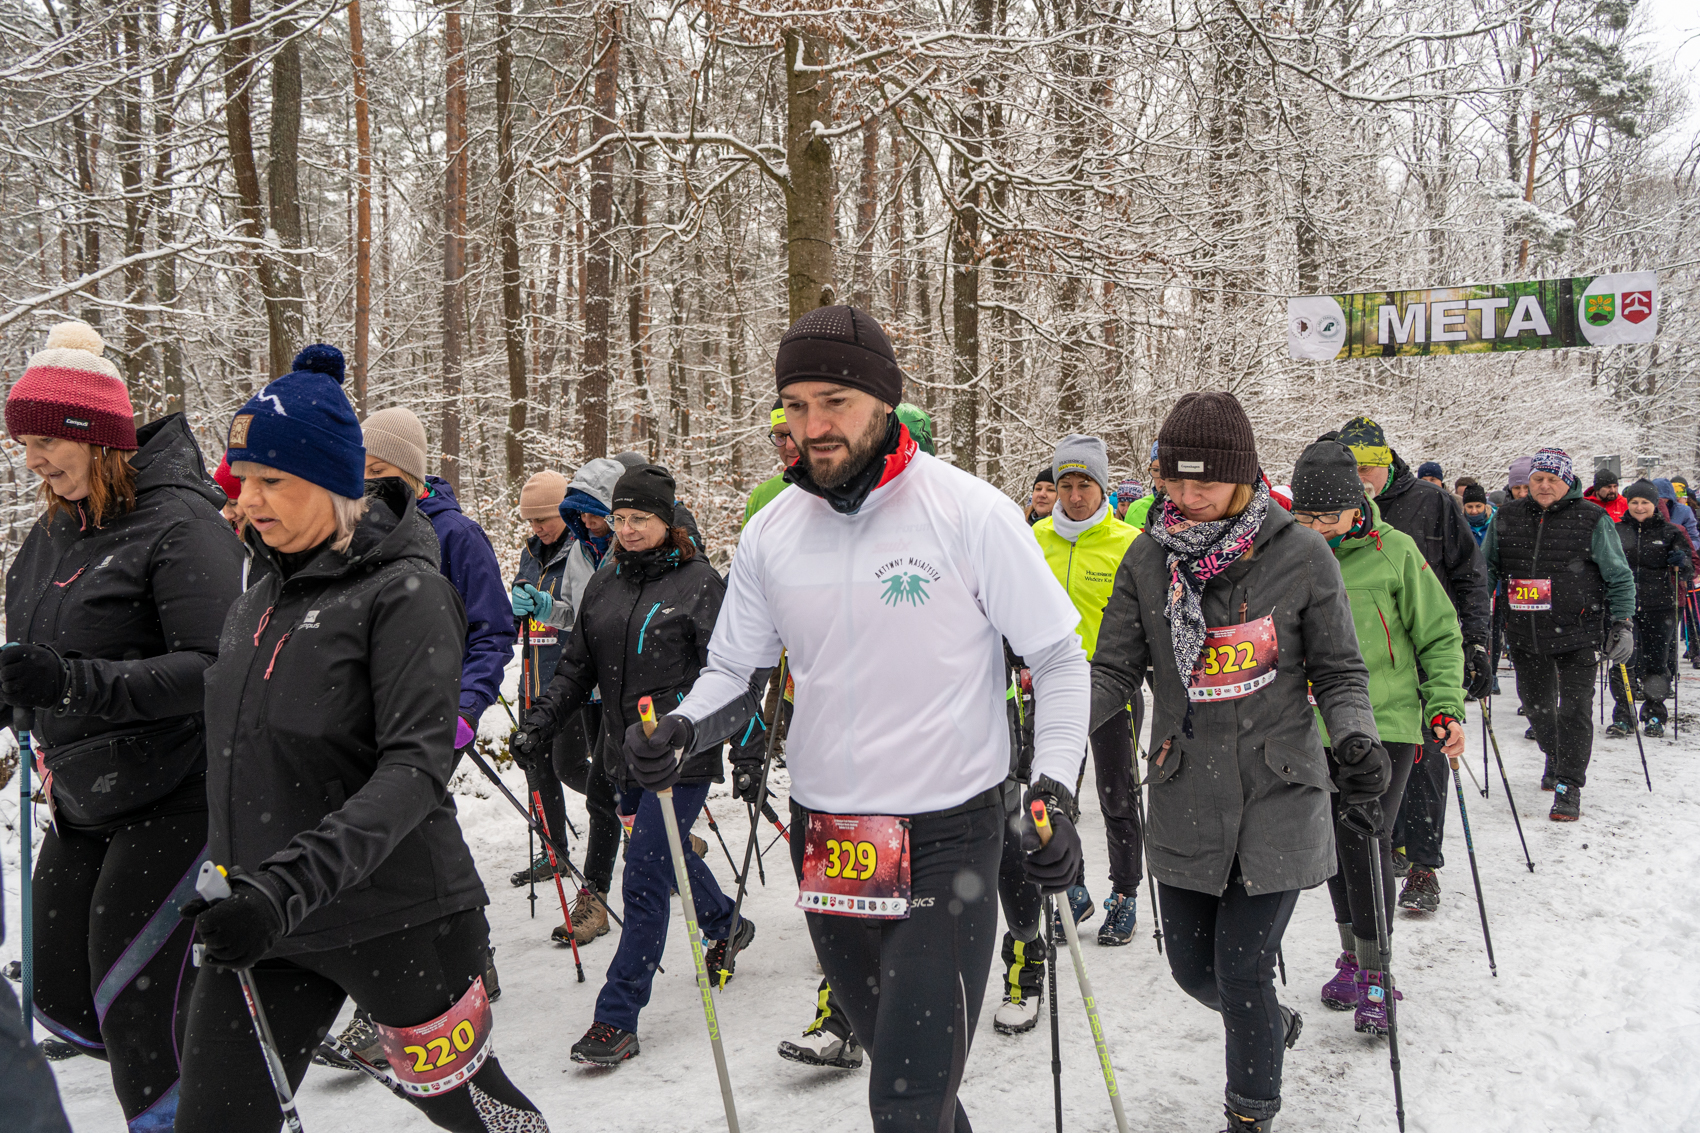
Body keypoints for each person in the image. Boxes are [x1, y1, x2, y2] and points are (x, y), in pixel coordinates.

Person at [639, 306, 1091, 1130]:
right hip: (832, 837)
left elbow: (1060, 658)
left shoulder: (968, 511)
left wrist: (1054, 787)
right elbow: (734, 671)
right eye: (796, 404)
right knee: (907, 1074)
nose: (813, 425)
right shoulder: (774, 531)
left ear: (883, 401)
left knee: (905, 1103)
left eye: (835, 401)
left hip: (946, 832)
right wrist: (682, 727)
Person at [176, 355, 548, 1132]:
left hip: (395, 909)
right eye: (244, 479)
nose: (249, 500)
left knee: (479, 1115)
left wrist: (285, 883)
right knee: (213, 1119)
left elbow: (414, 771)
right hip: (267, 919)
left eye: (273, 480)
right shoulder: (257, 598)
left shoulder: (404, 592)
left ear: (335, 482)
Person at [1090, 392, 1383, 1133]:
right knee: (1196, 970)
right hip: (1187, 788)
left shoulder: (1301, 554)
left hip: (1278, 789)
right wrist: (1055, 740)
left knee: (1243, 965)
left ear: (1244, 478)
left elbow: (1342, 672)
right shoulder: (1147, 557)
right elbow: (1114, 670)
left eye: (1204, 486)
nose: (1186, 500)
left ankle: (1250, 1111)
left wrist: (1353, 739)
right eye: (1173, 483)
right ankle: (1266, 1022)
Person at [2, 320, 246, 1132]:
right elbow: (40, 655)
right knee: (59, 994)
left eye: (43, 441)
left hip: (178, 795)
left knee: (132, 1004)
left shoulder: (181, 523)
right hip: (83, 798)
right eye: (23, 443)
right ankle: (211, 1060)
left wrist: (72, 681)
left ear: (92, 435)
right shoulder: (51, 531)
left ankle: (203, 1097)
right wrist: (20, 695)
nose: (30, 459)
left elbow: (214, 668)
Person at [509, 464, 754, 1066]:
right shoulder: (606, 581)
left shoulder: (700, 583)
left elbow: (732, 678)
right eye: (619, 519)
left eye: (639, 519)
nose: (627, 529)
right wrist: (541, 722)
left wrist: (739, 745)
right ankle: (725, 920)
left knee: (643, 874)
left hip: (681, 756)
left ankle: (616, 1015)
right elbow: (577, 668)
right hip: (621, 755)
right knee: (665, 855)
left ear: (666, 521)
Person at [1287, 439, 1465, 1034]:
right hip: (1312, 727)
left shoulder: (1397, 553)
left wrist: (1444, 706)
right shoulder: (1290, 554)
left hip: (1384, 720)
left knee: (1366, 839)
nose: (1316, 528)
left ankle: (1378, 973)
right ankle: (1353, 956)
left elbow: (1439, 634)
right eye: (1304, 517)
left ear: (1357, 504)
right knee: (1335, 849)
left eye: (1326, 517)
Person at [1337, 415, 1489, 913]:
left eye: (1368, 467)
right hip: (1361, 669)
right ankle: (1391, 849)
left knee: (1425, 769)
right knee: (1370, 774)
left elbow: (1469, 577)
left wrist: (1477, 645)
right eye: (1350, 467)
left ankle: (1424, 865)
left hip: (1422, 659)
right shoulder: (1330, 512)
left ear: (1388, 463)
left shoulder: (1432, 503)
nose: (1361, 477)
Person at [1029, 434, 1144, 944]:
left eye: (1085, 485)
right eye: (1066, 485)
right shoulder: (1035, 540)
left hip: (1113, 687)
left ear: (1103, 489)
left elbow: (1150, 620)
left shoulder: (1130, 543)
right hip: (1052, 687)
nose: (1074, 496)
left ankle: (1126, 893)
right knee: (1051, 797)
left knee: (1117, 797)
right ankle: (1072, 890)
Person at [1482, 448, 1636, 820]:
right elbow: (1484, 569)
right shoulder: (1506, 517)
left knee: (1575, 710)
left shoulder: (1592, 517)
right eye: (1538, 479)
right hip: (1523, 631)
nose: (1544, 486)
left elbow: (1618, 574)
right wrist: (1472, 617)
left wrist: (1622, 623)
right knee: (1535, 708)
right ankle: (1556, 754)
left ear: (1568, 481)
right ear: (1527, 482)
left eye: (1553, 479)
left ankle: (1568, 785)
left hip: (1577, 631)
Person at [511, 456, 625, 940]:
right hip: (586, 684)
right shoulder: (579, 552)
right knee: (601, 791)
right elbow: (577, 615)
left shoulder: (633, 546)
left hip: (628, 689)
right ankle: (594, 900)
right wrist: (542, 607)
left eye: (593, 513)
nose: (587, 523)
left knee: (615, 789)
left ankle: (673, 847)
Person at [1608, 480, 1690, 738]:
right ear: (1627, 504)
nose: (1639, 507)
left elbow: (1689, 570)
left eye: (1645, 502)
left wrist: (1681, 562)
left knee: (1657, 662)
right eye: (1634, 502)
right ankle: (1624, 715)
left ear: (1655, 505)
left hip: (1661, 606)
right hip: (1624, 606)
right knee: (1623, 661)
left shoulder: (1671, 532)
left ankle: (1655, 713)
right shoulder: (1616, 531)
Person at [745, 399, 797, 526]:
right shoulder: (760, 496)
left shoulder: (843, 493)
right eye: (780, 436)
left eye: (795, 434)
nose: (789, 446)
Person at [1655, 478, 1699, 547]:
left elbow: (1694, 539)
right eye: (1657, 501)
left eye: (1663, 501)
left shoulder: (1684, 511)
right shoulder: (1645, 511)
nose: (1661, 505)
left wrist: (1680, 547)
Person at [1462, 481, 1493, 546]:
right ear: (1464, 507)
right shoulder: (1458, 525)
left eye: (1478, 506)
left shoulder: (1496, 523)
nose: (1474, 511)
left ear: (1485, 506)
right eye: (1469, 507)